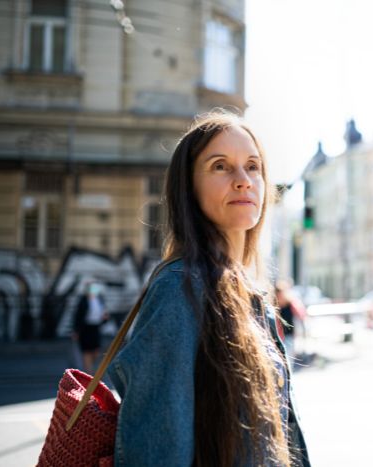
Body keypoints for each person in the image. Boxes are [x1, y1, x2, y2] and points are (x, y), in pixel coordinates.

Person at [107, 110, 311, 466]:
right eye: (220, 166)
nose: (243, 180)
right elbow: (158, 452)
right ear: (189, 187)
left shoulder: (247, 292)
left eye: (253, 166)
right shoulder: (180, 289)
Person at [72, 280, 109, 373]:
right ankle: (88, 371)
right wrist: (76, 330)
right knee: (86, 351)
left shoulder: (100, 299)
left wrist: (105, 318)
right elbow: (77, 315)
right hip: (85, 328)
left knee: (96, 350)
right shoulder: (83, 300)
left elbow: (104, 313)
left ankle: (90, 367)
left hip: (96, 327)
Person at [275, 280, 308, 363]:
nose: (280, 296)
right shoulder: (274, 305)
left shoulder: (291, 304)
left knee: (288, 361)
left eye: (281, 293)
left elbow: (301, 316)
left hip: (288, 337)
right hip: (276, 337)